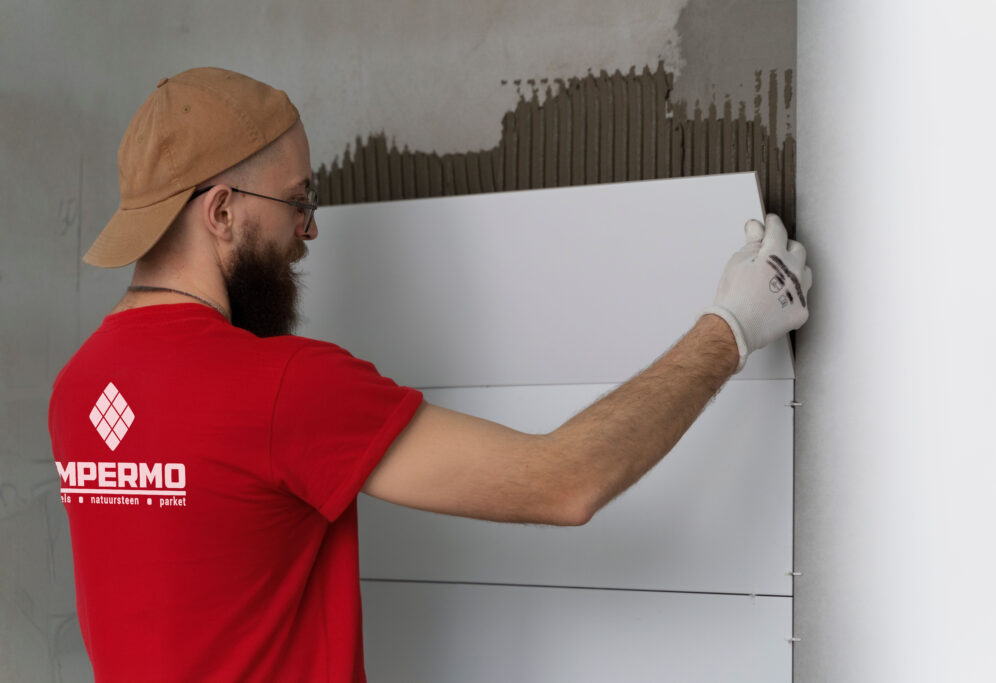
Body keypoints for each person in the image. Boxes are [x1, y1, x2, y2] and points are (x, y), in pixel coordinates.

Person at [49, 67, 812, 682]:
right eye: (296, 200)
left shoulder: (77, 390)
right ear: (219, 212)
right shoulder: (281, 387)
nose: (308, 229)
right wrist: (733, 327)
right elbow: (564, 482)